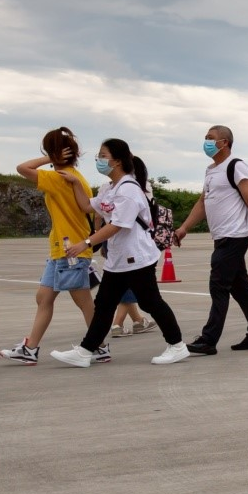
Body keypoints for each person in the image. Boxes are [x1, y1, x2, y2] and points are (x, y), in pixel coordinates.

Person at [49, 139, 189, 367]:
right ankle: (85, 351)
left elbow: (117, 225)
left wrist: (85, 243)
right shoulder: (110, 188)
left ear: (117, 161)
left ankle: (177, 345)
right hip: (119, 259)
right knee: (104, 304)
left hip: (137, 258)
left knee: (151, 302)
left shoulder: (129, 190)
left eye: (103, 155)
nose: (99, 160)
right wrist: (75, 182)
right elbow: (86, 206)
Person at [0, 127, 100, 365]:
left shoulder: (58, 178)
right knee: (43, 298)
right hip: (61, 249)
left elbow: (23, 168)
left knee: (84, 302)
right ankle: (30, 348)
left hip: (70, 250)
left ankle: (98, 346)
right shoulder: (74, 176)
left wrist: (49, 159)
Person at [172, 125, 248, 355]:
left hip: (235, 235)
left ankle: (209, 339)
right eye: (205, 137)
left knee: (218, 285)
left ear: (224, 142)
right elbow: (202, 203)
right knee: (240, 287)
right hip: (221, 236)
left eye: (211, 138)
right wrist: (184, 228)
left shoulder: (237, 166)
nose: (206, 141)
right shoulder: (211, 170)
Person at [110, 158, 157, 337]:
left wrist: (96, 238)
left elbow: (100, 215)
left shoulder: (112, 188)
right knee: (136, 288)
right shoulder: (141, 188)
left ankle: (137, 320)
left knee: (123, 284)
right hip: (135, 243)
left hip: (113, 241)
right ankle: (118, 323)